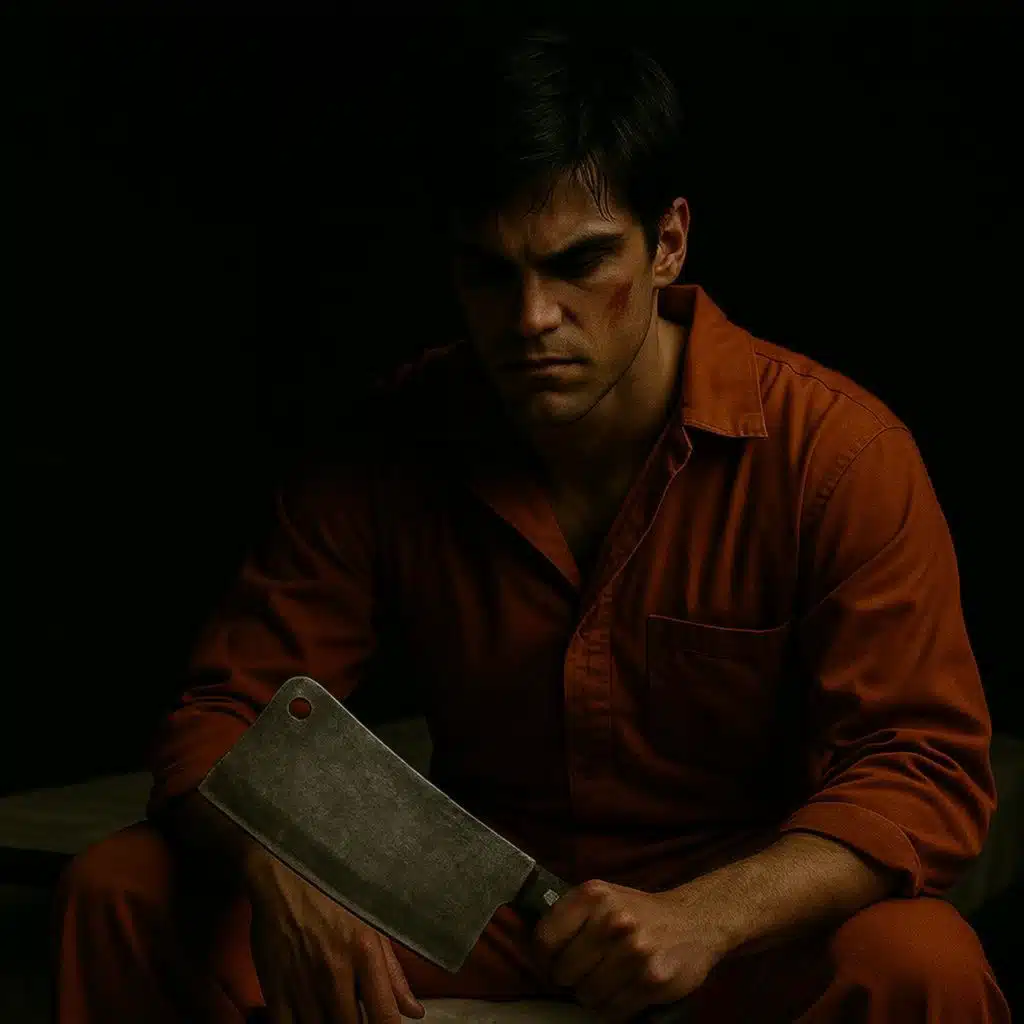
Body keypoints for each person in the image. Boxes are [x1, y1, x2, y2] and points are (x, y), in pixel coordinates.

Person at [54, 24, 1010, 1024]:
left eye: (578, 263)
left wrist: (708, 918)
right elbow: (222, 714)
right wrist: (279, 864)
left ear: (668, 243)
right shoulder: (391, 444)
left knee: (921, 962)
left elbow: (922, 765)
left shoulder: (837, 455)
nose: (531, 320)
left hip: (736, 916)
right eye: (489, 273)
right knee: (124, 890)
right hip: (464, 905)